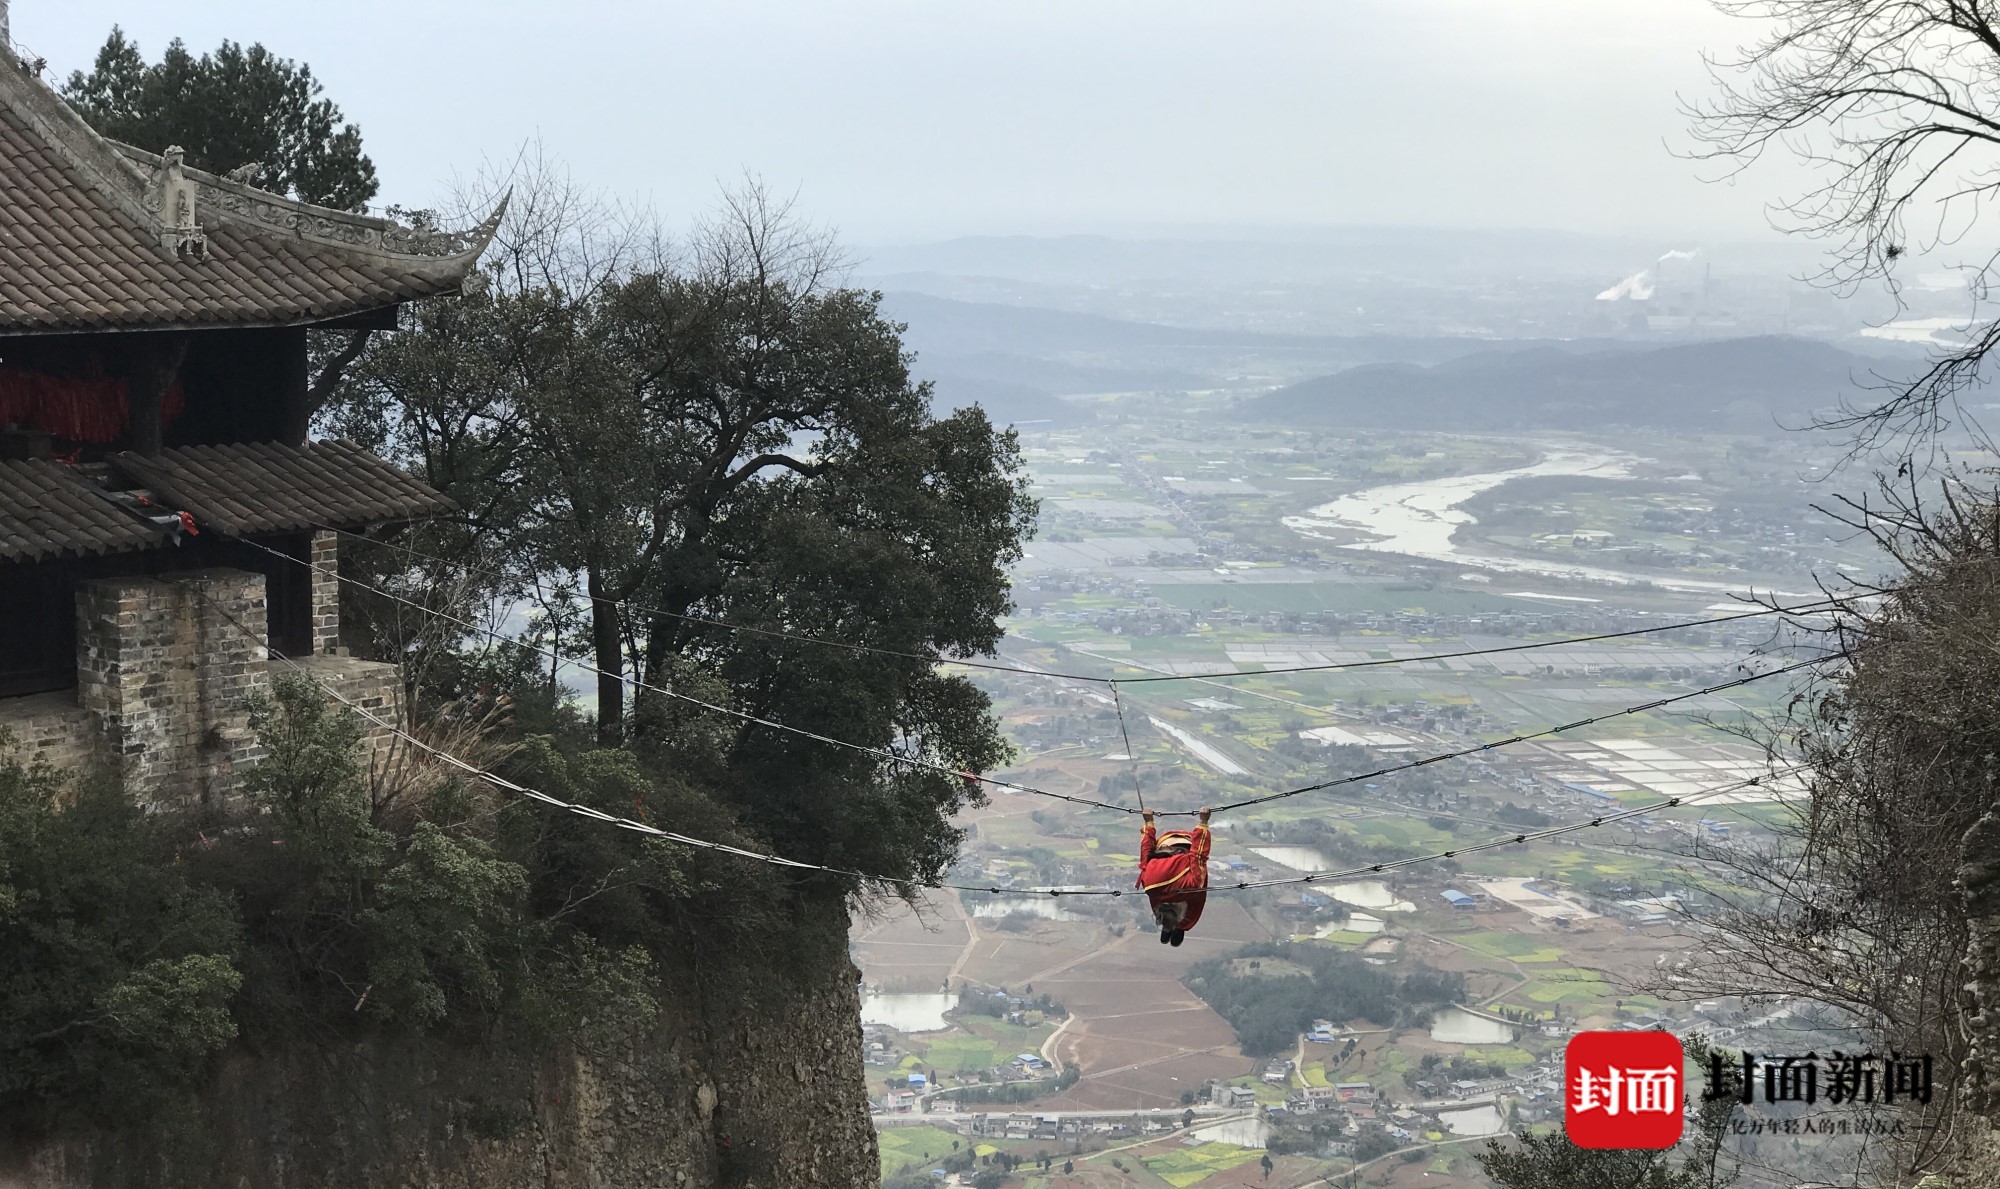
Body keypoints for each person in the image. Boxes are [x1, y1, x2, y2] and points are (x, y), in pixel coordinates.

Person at [1137, 806, 1212, 946]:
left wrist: (1203, 823)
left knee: (1197, 891)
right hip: (1168, 844)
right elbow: (1145, 855)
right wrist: (1149, 823)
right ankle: (1176, 927)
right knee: (1196, 894)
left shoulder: (1190, 885)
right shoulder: (1150, 887)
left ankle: (1176, 927)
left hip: (1181, 845)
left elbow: (1199, 856)